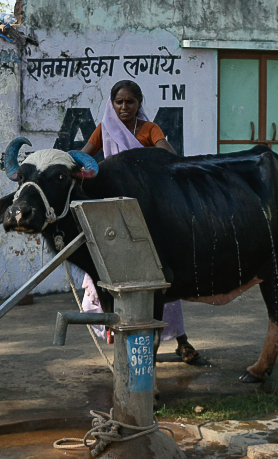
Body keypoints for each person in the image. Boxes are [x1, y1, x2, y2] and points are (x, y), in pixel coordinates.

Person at [80, 79, 200, 364]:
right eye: (119, 102)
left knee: (160, 277)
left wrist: (150, 160)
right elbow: (84, 157)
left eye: (130, 102)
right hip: (115, 214)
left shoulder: (149, 129)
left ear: (139, 103)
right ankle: (118, 334)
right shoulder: (104, 130)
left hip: (148, 214)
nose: (124, 107)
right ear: (112, 104)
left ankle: (181, 340)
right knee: (111, 279)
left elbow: (168, 154)